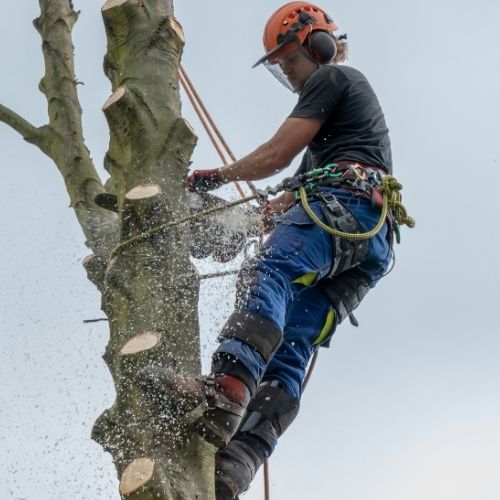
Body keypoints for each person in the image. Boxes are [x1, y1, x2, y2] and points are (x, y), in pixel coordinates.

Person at [140, 2, 401, 498]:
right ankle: (238, 460)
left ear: (316, 44)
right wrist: (233, 224)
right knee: (291, 341)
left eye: (288, 59)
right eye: (278, 65)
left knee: (268, 269)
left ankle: (226, 391)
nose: (286, 69)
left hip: (347, 210)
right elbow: (284, 202)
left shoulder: (333, 78)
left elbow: (276, 154)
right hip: (370, 242)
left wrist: (212, 176)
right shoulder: (335, 141)